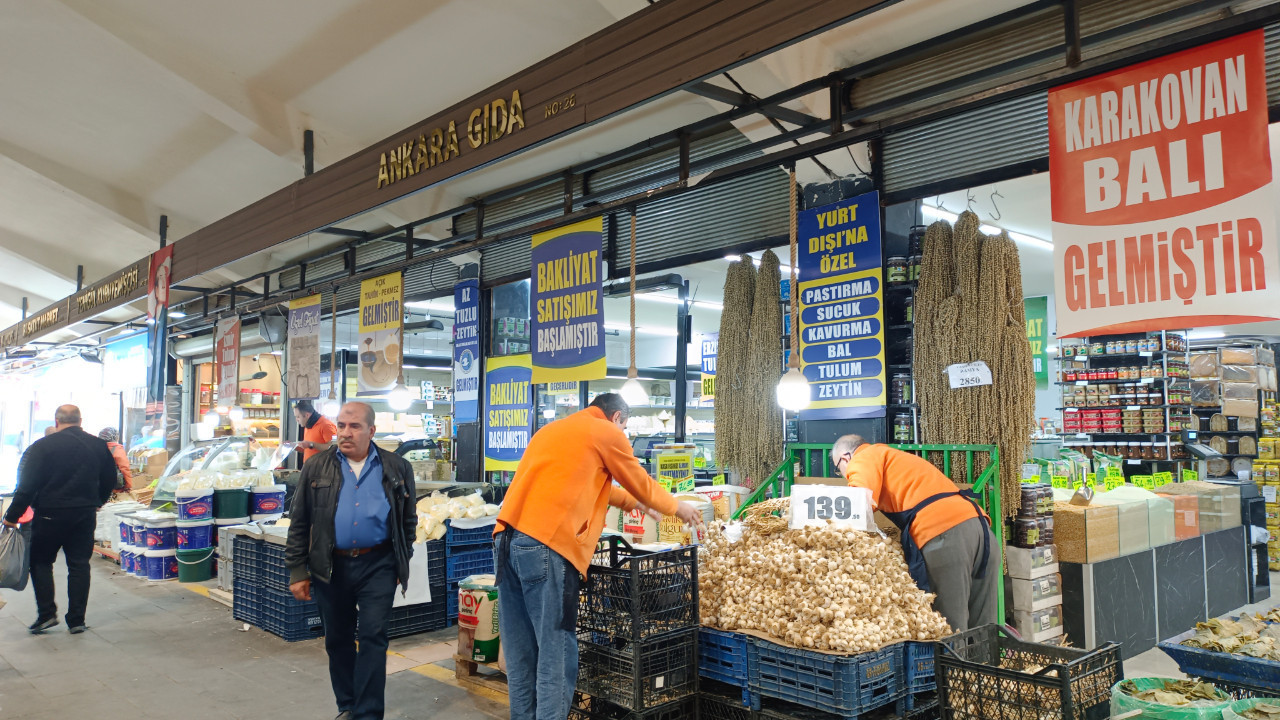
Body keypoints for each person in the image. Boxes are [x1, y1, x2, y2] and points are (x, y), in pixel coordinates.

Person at [493, 393, 704, 720]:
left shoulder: (555, 430)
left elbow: (591, 483)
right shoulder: (605, 431)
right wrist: (678, 507)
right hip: (546, 546)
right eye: (625, 427)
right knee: (556, 652)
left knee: (521, 654)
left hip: (505, 540)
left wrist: (634, 504)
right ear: (617, 417)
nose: (624, 434)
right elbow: (638, 480)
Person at [284, 402, 415, 720]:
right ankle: (348, 704)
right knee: (338, 638)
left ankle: (368, 713)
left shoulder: (397, 467)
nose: (345, 432)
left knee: (373, 637)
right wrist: (297, 570)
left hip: (379, 565)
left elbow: (408, 521)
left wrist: (402, 559)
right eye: (341, 425)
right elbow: (299, 520)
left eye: (354, 426)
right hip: (331, 566)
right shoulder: (317, 467)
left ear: (371, 431)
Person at [831, 434, 996, 631]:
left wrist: (833, 534)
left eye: (838, 469)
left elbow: (858, 501)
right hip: (980, 528)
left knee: (949, 625)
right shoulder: (892, 456)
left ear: (846, 457)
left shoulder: (864, 457)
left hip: (945, 534)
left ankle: (952, 653)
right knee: (984, 625)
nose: (843, 475)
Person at [2, 405, 117, 634]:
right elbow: (110, 478)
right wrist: (98, 501)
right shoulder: (97, 445)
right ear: (80, 421)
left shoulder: (42, 446)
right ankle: (76, 620)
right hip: (84, 513)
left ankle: (46, 614)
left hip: (49, 513)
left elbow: (27, 486)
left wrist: (11, 516)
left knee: (41, 562)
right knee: (79, 564)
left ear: (56, 421)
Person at [294, 399, 338, 463]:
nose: (296, 420)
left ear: (307, 415)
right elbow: (309, 449)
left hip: (321, 467)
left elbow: (333, 448)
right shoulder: (308, 425)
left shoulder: (325, 425)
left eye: (298, 417)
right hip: (309, 466)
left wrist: (311, 444)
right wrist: (293, 447)